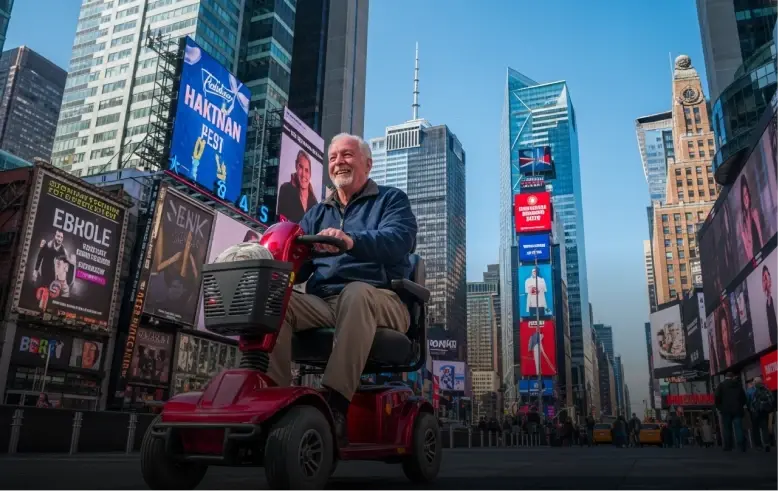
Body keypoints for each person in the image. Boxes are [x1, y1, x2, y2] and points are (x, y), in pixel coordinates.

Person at [235, 133, 417, 447]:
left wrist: (351, 241)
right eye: (333, 158)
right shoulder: (317, 213)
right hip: (325, 303)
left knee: (356, 293)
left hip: (382, 299)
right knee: (278, 301)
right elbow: (297, 268)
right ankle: (272, 401)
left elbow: (400, 240)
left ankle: (335, 405)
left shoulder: (391, 199)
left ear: (367, 164)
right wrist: (271, 257)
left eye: (347, 155)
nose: (338, 163)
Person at [276, 149, 319, 223]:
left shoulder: (315, 204)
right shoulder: (286, 189)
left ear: (310, 174)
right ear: (296, 166)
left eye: (306, 170)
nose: (303, 175)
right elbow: (281, 221)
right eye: (301, 167)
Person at [715, 371, 747, 452]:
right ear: (732, 377)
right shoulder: (738, 385)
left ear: (725, 377)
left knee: (727, 428)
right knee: (738, 428)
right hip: (737, 410)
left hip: (725, 410)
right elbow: (743, 398)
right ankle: (741, 445)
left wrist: (720, 407)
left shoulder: (721, 386)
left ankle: (728, 446)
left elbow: (717, 397)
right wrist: (740, 405)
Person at [738, 175, 763, 261]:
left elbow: (761, 238)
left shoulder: (755, 214)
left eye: (746, 194)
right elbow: (749, 256)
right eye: (743, 196)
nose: (746, 198)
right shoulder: (743, 230)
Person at [749, 376, 774, 452]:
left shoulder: (752, 391)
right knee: (765, 428)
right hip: (765, 411)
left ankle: (759, 445)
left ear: (755, 382)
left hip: (757, 412)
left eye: (754, 381)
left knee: (756, 429)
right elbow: (772, 399)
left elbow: (750, 401)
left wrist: (752, 410)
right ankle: (767, 443)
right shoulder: (767, 389)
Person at [762, 266, 778, 345]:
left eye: (765, 278)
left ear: (770, 279)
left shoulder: (774, 299)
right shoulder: (767, 303)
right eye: (763, 280)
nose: (764, 282)